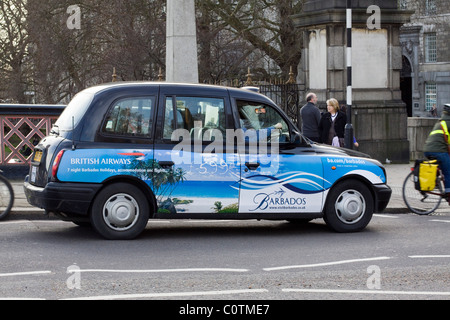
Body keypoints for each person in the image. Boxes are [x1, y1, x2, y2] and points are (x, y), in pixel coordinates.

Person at [424, 103, 450, 203]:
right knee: (448, 171)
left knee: (442, 168)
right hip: (438, 151)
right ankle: (449, 195)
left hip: (427, 150)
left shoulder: (441, 121)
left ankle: (434, 182)